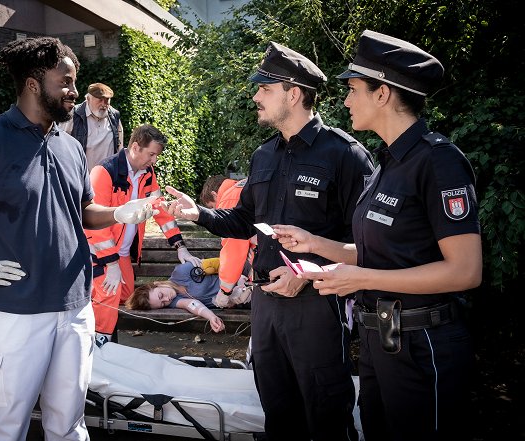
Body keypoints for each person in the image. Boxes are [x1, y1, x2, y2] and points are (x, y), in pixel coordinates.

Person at [0, 37, 158, 441]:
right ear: (33, 84)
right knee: (6, 425)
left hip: (75, 306)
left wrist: (118, 213)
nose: (74, 92)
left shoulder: (71, 147)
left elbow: (82, 211)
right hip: (17, 311)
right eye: (67, 82)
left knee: (69, 422)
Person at [273, 30, 481, 441]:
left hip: (424, 345)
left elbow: (465, 271)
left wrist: (362, 279)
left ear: (382, 94)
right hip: (379, 342)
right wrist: (315, 245)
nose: (345, 100)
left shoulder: (438, 161)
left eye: (352, 89)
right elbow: (375, 253)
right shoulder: (387, 163)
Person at [163, 41, 375, 440]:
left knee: (327, 416)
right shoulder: (264, 156)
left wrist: (311, 273)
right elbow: (244, 221)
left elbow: (366, 244)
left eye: (265, 88)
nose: (255, 96)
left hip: (318, 305)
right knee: (278, 414)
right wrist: (199, 214)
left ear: (293, 94)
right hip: (265, 306)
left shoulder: (346, 155)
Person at [86, 123, 202, 345]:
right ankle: (97, 349)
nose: (154, 161)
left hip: (121, 255)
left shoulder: (147, 173)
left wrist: (180, 247)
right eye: (151, 154)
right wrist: (110, 265)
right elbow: (94, 224)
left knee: (127, 295)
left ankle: (97, 337)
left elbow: (160, 209)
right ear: (135, 147)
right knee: (108, 295)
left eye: (156, 156)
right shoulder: (104, 172)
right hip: (101, 254)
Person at [199, 175, 255, 308]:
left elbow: (233, 248)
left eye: (213, 208)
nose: (215, 214)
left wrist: (225, 291)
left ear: (214, 195)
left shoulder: (229, 198)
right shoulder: (244, 186)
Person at [125, 261, 226, 333]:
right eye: (162, 304)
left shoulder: (182, 272)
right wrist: (211, 317)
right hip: (235, 301)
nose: (167, 299)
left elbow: (220, 263)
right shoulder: (174, 301)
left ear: (157, 284)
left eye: (161, 295)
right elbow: (191, 304)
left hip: (237, 280)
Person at [61, 82, 123, 169]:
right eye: (100, 100)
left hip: (107, 176)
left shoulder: (114, 116)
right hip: (80, 175)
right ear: (88, 99)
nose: (104, 104)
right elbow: (61, 146)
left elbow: (119, 147)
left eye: (107, 100)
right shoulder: (73, 115)